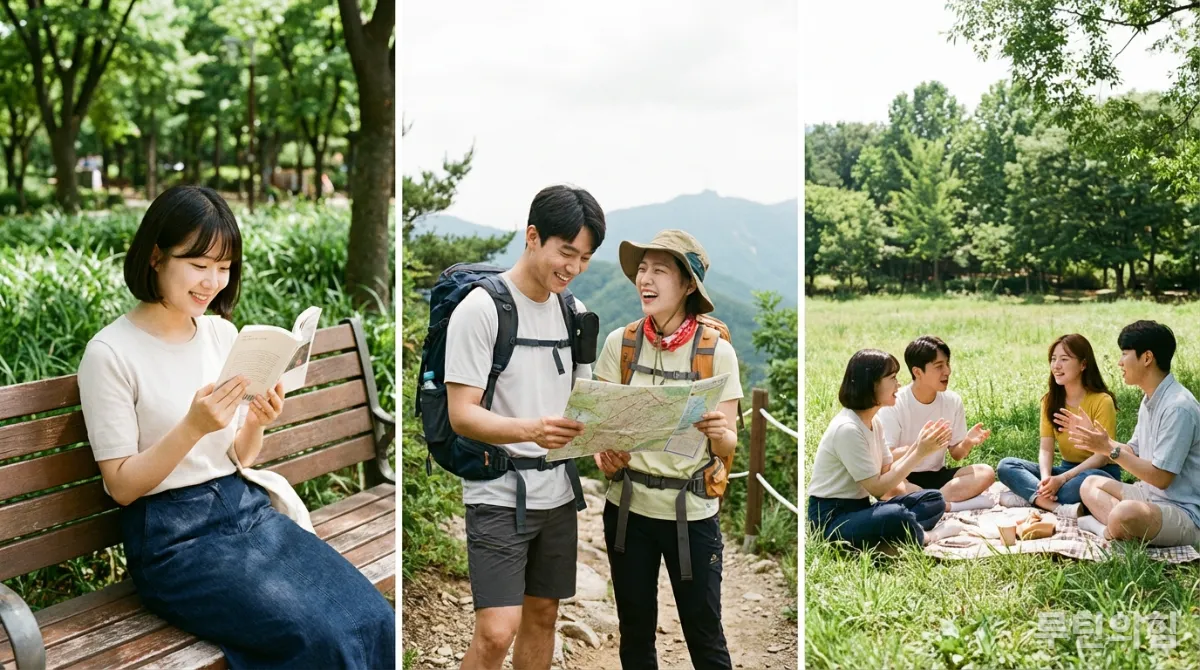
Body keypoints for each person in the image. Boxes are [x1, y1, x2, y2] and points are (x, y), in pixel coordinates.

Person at [76, 185, 395, 669]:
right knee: (321, 640)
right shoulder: (110, 354)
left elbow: (240, 459)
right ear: (156, 256)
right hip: (172, 542)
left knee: (373, 618)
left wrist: (259, 422)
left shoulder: (222, 334)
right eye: (199, 265)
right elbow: (120, 486)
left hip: (245, 511)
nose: (213, 282)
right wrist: (193, 426)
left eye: (224, 268)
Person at [445, 185, 606, 670]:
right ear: (533, 236)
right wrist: (531, 431)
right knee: (496, 633)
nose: (573, 268)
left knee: (543, 616)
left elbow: (585, 404)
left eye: (584, 258)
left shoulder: (573, 314)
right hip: (497, 488)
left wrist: (604, 439)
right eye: (566, 252)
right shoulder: (480, 309)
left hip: (557, 493)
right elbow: (462, 414)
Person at [590, 230, 742, 670]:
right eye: (642, 269)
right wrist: (604, 452)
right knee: (635, 629)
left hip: (690, 513)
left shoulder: (716, 352)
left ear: (688, 284)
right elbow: (602, 428)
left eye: (659, 270)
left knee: (704, 632)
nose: (645, 279)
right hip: (627, 510)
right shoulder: (621, 344)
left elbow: (729, 442)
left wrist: (718, 431)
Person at [807, 348, 969, 549]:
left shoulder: (874, 422)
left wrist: (919, 447)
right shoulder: (847, 429)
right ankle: (927, 537)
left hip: (860, 509)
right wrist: (919, 452)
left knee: (933, 498)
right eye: (892, 378)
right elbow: (878, 488)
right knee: (894, 515)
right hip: (832, 519)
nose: (898, 384)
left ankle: (895, 533)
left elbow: (887, 470)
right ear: (872, 384)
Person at [1059, 321, 1200, 547]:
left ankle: (1103, 529)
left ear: (1146, 358)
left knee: (1126, 513)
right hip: (1149, 496)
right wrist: (1100, 439)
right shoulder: (1149, 399)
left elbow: (1161, 478)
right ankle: (1116, 528)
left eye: (1125, 354)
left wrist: (1109, 450)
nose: (1119, 362)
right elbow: (1133, 450)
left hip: (1183, 511)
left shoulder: (1178, 407)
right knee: (1089, 483)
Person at [996, 334, 1121, 517]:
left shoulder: (1102, 401)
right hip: (1065, 470)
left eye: (1064, 359)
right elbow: (1046, 449)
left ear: (1083, 365)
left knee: (1087, 481)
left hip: (1098, 472)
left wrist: (1062, 479)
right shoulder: (1050, 401)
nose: (1056, 365)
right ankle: (1053, 505)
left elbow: (1101, 457)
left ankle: (1029, 497)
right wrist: (1047, 479)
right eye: (1053, 359)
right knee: (1006, 465)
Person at [877, 336, 996, 512]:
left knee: (986, 472)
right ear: (917, 372)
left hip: (937, 476)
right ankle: (946, 504)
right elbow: (887, 457)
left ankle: (931, 502)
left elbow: (956, 454)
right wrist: (922, 447)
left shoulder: (953, 401)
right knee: (887, 488)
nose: (947, 371)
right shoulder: (895, 403)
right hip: (903, 476)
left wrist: (967, 443)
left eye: (947, 364)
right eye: (939, 366)